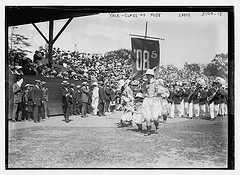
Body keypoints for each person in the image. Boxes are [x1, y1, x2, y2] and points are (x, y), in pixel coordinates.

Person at [142, 69, 157, 135]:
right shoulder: (145, 83)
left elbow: (157, 91)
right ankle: (148, 130)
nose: (147, 76)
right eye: (147, 75)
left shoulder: (156, 82)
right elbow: (143, 91)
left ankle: (157, 126)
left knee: (154, 116)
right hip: (147, 99)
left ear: (152, 75)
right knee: (147, 115)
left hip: (154, 99)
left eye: (149, 75)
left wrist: (156, 94)